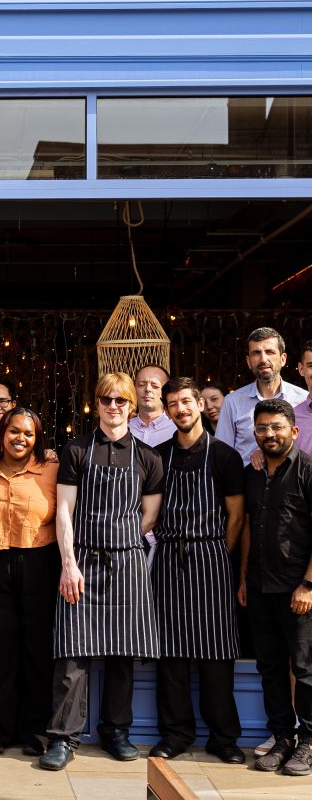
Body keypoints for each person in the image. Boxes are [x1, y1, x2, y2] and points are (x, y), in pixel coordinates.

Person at [40, 372, 163, 772]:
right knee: (72, 653)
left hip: (128, 562)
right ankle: (63, 738)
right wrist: (69, 564)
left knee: (122, 653)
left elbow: (149, 516)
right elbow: (64, 511)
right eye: (106, 400)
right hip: (82, 561)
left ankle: (116, 732)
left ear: (132, 406)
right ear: (96, 404)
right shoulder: (77, 449)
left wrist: (120, 541)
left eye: (121, 401)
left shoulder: (148, 457)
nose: (113, 407)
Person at [149, 378, 246, 764]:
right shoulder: (158, 456)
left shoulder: (224, 456)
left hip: (211, 557)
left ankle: (223, 738)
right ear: (167, 410)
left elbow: (236, 517)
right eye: (173, 403)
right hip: (169, 557)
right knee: (170, 655)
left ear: (200, 405)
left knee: (216, 654)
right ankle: (175, 734)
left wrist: (218, 555)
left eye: (186, 402)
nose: (181, 409)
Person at [0, 405, 59, 756]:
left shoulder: (51, 469)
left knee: (36, 649)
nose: (20, 438)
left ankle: (35, 730)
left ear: (37, 439)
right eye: (14, 431)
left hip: (38, 561)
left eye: (28, 433)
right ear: (1, 434)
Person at [241, 398, 312, 776]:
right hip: (260, 586)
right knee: (269, 667)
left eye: (277, 427)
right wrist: (243, 579)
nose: (269, 434)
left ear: (294, 431)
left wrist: (308, 585)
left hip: (298, 589)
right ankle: (283, 738)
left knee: (305, 669)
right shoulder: (252, 473)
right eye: (263, 428)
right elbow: (247, 528)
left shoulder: (307, 471)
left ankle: (309, 742)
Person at [216, 327, 306, 465]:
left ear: (283, 359)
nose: (263, 359)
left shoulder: (303, 399)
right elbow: (222, 454)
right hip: (244, 477)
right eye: (256, 353)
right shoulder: (232, 402)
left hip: (294, 477)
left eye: (270, 352)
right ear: (248, 361)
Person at [129, 364, 176, 446]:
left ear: (166, 392)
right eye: (141, 384)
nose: (148, 389)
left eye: (155, 386)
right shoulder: (123, 429)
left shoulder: (176, 429)